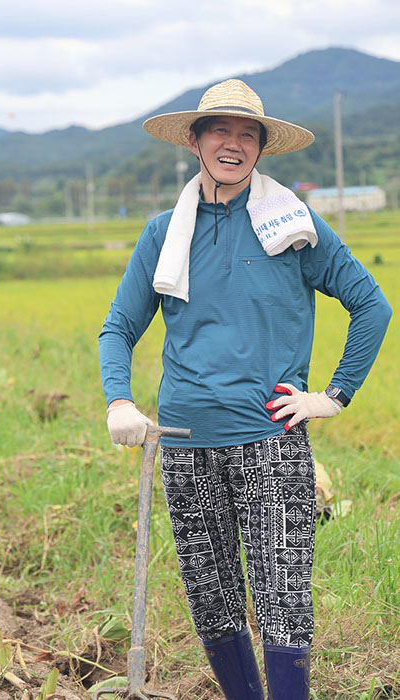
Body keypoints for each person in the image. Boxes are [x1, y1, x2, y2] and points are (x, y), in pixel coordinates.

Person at [98, 79, 391, 699]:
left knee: (284, 602)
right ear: (196, 141)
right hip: (181, 443)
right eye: (220, 131)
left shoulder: (295, 227)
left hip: (270, 441)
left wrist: (332, 396)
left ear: (261, 148)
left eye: (247, 134)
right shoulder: (163, 234)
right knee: (213, 601)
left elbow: (371, 305)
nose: (233, 144)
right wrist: (119, 400)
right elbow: (119, 326)